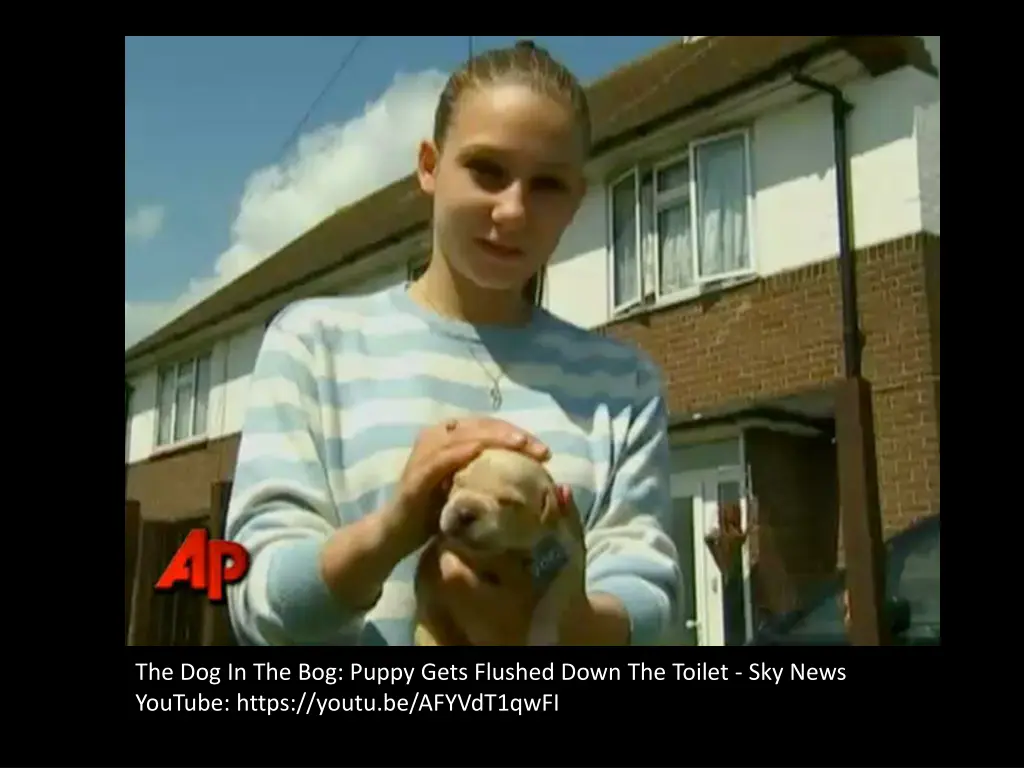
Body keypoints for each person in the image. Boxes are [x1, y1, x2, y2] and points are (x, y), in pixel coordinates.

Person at [225, 39, 681, 646]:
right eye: (487, 170)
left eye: (546, 184)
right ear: (429, 166)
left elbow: (648, 597)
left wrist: (553, 605)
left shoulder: (623, 386)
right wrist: (390, 531)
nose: (514, 210)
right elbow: (256, 597)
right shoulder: (315, 344)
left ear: (575, 199)